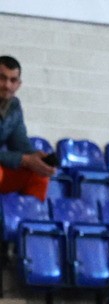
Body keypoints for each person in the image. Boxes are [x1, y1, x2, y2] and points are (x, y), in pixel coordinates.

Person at [0, 56, 57, 201]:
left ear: (19, 84)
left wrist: (37, 158)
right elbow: (22, 157)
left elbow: (20, 145)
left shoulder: (14, 107)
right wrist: (24, 159)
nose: (7, 85)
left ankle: (30, 219)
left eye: (13, 80)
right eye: (2, 78)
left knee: (38, 174)